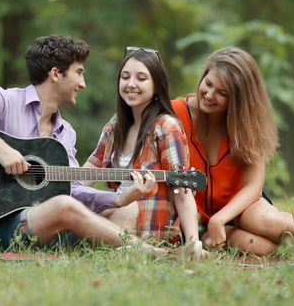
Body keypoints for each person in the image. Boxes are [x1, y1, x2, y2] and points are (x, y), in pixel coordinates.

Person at [0, 35, 169, 255]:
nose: (83, 84)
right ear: (56, 74)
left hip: (35, 220)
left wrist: (119, 198)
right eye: (79, 73)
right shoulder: (6, 102)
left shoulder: (65, 133)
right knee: (62, 207)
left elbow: (71, 190)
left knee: (127, 210)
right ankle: (148, 252)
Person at [171, 47, 294, 255]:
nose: (209, 95)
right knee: (260, 248)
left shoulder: (246, 125)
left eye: (222, 93)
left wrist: (220, 218)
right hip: (194, 220)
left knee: (264, 219)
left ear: (238, 100)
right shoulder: (174, 114)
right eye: (208, 84)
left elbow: (254, 187)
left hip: (241, 209)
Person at [82, 47, 205, 258]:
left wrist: (193, 242)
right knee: (77, 211)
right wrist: (63, 193)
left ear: (156, 86)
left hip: (148, 219)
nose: (131, 84)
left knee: (124, 210)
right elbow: (90, 169)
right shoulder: (115, 125)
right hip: (117, 206)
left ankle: (148, 251)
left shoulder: (166, 127)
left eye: (141, 78)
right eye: (125, 77)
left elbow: (183, 191)